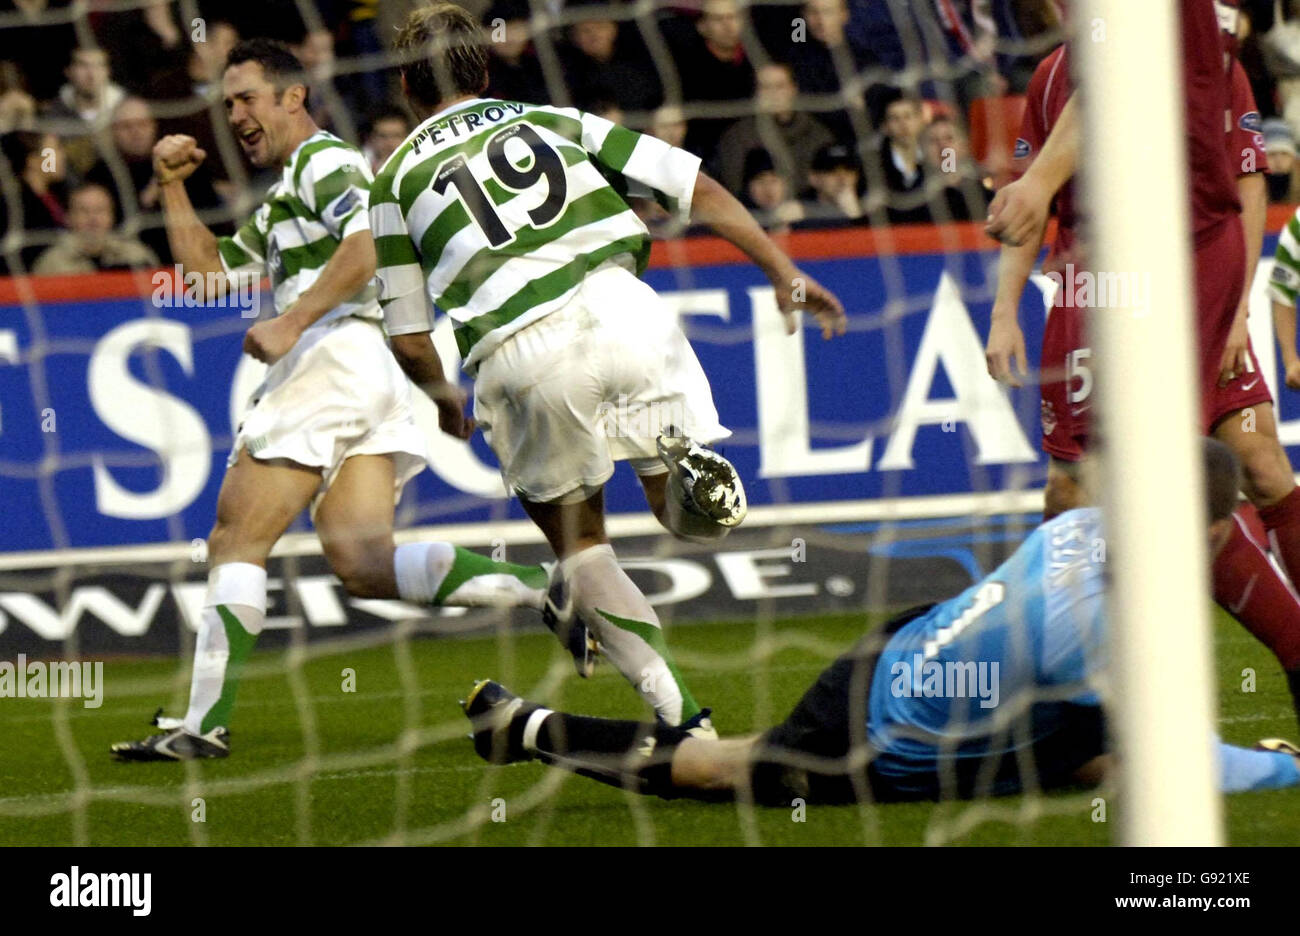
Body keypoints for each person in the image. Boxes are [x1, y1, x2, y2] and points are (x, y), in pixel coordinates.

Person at [371, 4, 845, 732]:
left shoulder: (394, 179)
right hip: (626, 310)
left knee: (583, 550)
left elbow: (408, 336)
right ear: (486, 68)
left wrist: (442, 403)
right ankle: (687, 482)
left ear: (406, 85)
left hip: (523, 353)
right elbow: (696, 186)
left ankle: (684, 719)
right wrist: (782, 269)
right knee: (672, 513)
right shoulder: (559, 121)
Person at [110, 39, 559, 763]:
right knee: (363, 563)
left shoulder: (327, 163)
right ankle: (545, 587)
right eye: (228, 103)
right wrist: (169, 185)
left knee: (234, 539)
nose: (235, 115)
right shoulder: (288, 194)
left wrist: (292, 319)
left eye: (247, 97)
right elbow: (206, 277)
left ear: (293, 96)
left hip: (333, 356)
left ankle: (202, 725)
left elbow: (369, 243)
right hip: (367, 371)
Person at [462, 439, 1300, 805]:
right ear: (1219, 531)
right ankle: (526, 729)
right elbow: (1181, 767)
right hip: (873, 731)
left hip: (915, 638)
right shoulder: (1093, 635)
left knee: (1088, 754)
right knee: (728, 770)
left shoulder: (1081, 528)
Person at [983, 0, 1300, 724]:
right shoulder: (1054, 78)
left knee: (1239, 463)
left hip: (1190, 270)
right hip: (1095, 286)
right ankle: (1063, 667)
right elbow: (1041, 195)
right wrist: (1006, 310)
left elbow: (1249, 184)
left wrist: (1236, 315)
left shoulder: (1200, 42)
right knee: (1080, 488)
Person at [31, 181, 157, 274]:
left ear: (112, 216)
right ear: (68, 218)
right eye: (84, 211)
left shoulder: (137, 255)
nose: (93, 218)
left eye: (100, 210)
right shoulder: (51, 263)